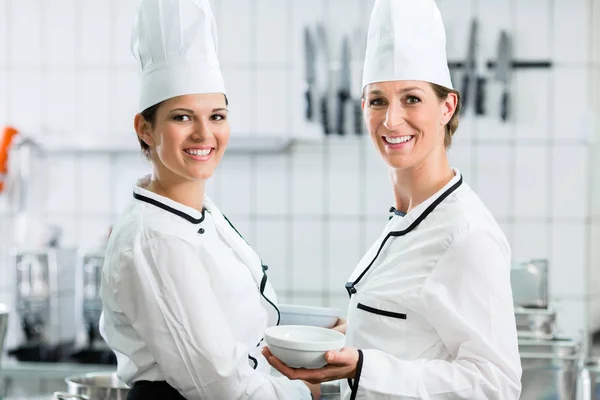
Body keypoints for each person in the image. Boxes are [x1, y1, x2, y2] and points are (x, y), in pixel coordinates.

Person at [263, 0, 522, 399]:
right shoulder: (406, 218)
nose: (391, 120)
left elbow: (496, 385)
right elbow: (416, 328)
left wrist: (363, 367)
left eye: (412, 99)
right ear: (363, 106)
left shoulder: (465, 234)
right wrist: (347, 337)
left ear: (446, 106)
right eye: (378, 100)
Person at [99, 0, 317, 399]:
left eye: (217, 116)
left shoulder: (196, 215)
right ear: (145, 129)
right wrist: (302, 395)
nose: (204, 134)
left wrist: (326, 332)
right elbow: (218, 382)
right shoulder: (156, 239)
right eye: (183, 117)